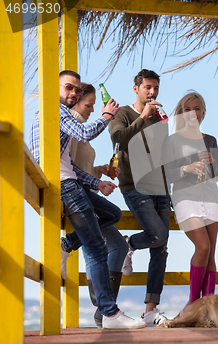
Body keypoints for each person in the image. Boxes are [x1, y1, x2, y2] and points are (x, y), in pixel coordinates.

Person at [28, 70, 145, 329]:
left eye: (77, 89)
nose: (74, 93)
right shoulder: (56, 111)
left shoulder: (57, 116)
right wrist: (107, 115)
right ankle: (109, 314)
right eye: (69, 88)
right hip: (65, 186)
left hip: (69, 181)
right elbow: (84, 133)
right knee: (96, 248)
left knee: (112, 214)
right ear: (55, 88)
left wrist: (97, 182)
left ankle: (66, 244)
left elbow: (68, 164)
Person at [59, 83, 129, 328]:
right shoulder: (74, 127)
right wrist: (97, 181)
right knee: (108, 247)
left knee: (114, 243)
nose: (90, 110)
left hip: (86, 192)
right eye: (87, 105)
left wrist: (100, 172)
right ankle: (105, 311)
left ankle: (104, 311)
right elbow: (71, 169)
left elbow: (78, 166)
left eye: (91, 106)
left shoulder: (77, 129)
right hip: (78, 196)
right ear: (75, 103)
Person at [108, 69, 171, 326]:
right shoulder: (123, 113)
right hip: (135, 185)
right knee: (158, 235)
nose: (152, 92)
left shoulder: (159, 117)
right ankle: (128, 243)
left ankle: (150, 310)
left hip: (161, 187)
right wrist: (143, 117)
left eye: (155, 88)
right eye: (147, 87)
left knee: (161, 247)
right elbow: (119, 139)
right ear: (136, 88)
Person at [162, 91, 218, 303]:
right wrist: (186, 168)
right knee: (203, 247)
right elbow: (166, 174)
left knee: (211, 254)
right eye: (187, 109)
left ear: (203, 112)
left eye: (196, 108)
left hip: (210, 197)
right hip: (185, 198)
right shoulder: (172, 141)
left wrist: (212, 164)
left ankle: (208, 307)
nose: (192, 113)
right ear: (180, 114)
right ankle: (193, 303)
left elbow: (217, 175)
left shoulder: (211, 140)